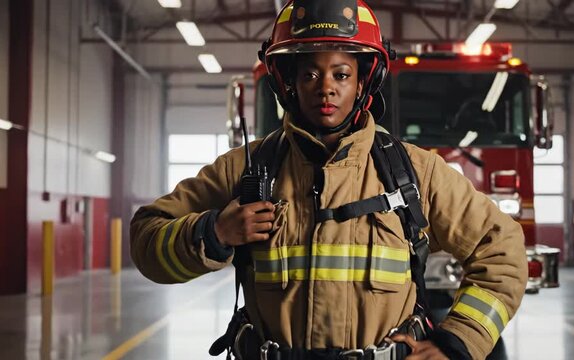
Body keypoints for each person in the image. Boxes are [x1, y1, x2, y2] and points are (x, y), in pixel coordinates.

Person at [129, 1, 528, 359]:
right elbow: (147, 241)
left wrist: (457, 341)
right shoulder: (245, 170)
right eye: (309, 75)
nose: (326, 88)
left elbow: (504, 252)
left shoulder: (416, 172)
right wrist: (214, 232)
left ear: (363, 81)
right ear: (288, 83)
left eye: (341, 74)